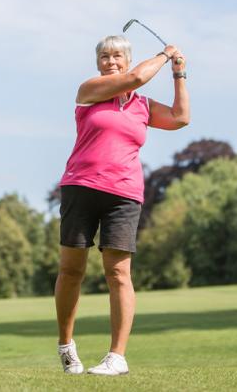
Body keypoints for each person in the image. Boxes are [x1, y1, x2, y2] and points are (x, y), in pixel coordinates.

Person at [55, 34, 189, 375]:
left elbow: (180, 117)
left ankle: (117, 356)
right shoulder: (89, 91)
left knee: (118, 273)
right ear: (98, 63)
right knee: (72, 270)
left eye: (117, 56)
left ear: (127, 59)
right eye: (105, 57)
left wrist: (178, 73)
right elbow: (136, 78)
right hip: (81, 187)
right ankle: (67, 346)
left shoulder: (142, 106)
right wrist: (165, 52)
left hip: (124, 194)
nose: (111, 62)